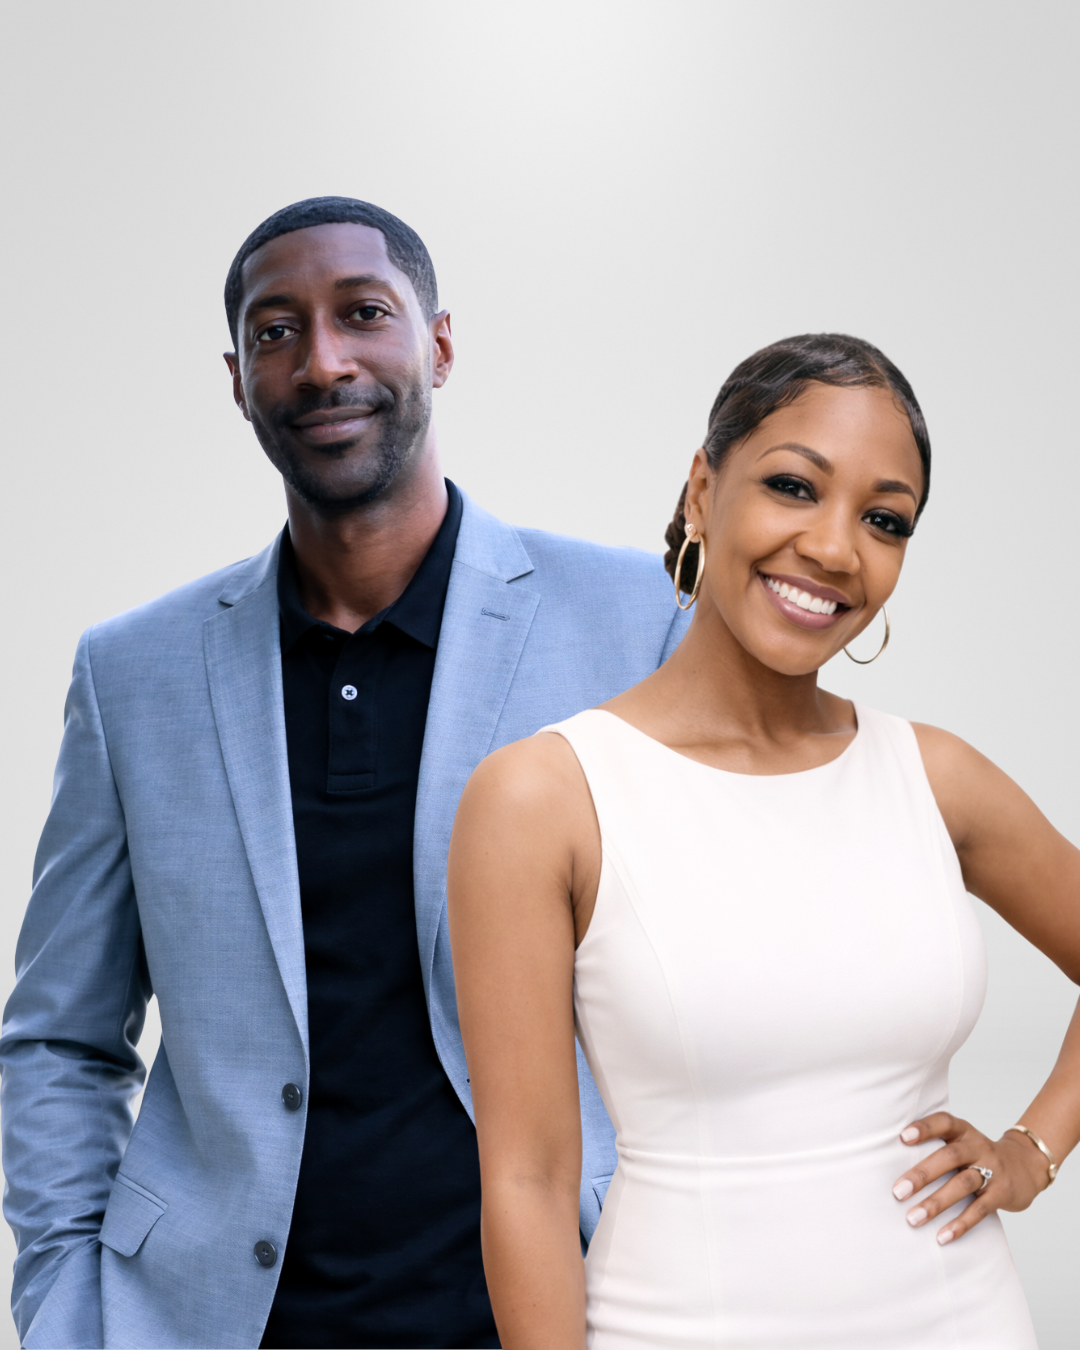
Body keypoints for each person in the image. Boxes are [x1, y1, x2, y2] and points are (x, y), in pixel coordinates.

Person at [0, 196, 688, 1350]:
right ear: (237, 378)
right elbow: (61, 1037)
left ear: (440, 345)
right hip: (215, 1322)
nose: (322, 362)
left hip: (556, 1312)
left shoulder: (630, 625)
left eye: (363, 314)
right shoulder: (135, 674)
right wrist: (67, 1306)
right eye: (277, 332)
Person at [449, 332, 1080, 1349]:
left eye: (884, 519)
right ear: (702, 490)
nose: (835, 548)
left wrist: (1031, 1153)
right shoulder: (543, 799)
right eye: (794, 486)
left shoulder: (933, 777)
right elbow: (526, 1181)